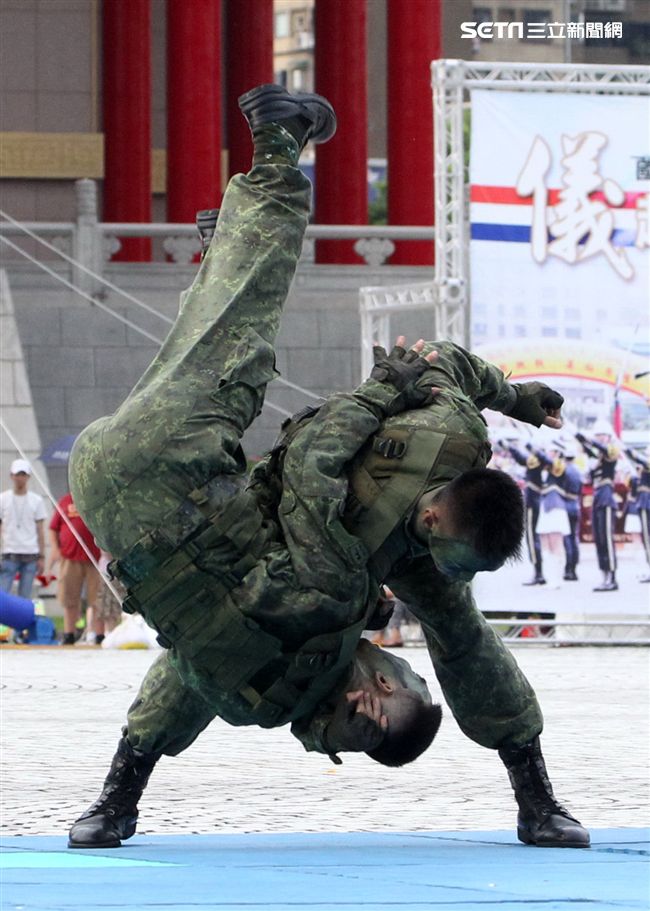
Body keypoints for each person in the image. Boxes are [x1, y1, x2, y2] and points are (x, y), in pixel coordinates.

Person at [67, 85, 443, 850]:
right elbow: (175, 687)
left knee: (246, 323)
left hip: (167, 465)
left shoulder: (337, 600)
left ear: (377, 694)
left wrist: (387, 386)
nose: (393, 662)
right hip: (108, 496)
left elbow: (308, 472)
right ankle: (219, 247)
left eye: (403, 678)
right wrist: (118, 798)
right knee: (208, 343)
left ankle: (279, 136)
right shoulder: (256, 699)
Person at [46, 492, 101, 645]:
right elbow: (53, 527)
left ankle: (99, 634)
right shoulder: (65, 502)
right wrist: (55, 548)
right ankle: (69, 633)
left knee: (97, 599)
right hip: (70, 557)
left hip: (94, 558)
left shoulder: (95, 498)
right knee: (69, 597)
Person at [576, 423, 620, 592]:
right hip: (597, 497)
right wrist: (580, 438)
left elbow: (602, 448)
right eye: (598, 435)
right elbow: (590, 450)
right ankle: (604, 574)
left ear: (608, 437)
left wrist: (589, 440)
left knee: (607, 539)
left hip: (607, 497)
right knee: (599, 539)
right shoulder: (598, 457)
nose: (600, 437)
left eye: (603, 435)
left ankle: (612, 577)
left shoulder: (612, 451)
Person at [499, 439, 545, 585]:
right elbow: (520, 458)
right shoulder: (533, 463)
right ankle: (537, 572)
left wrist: (527, 445)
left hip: (532, 502)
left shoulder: (540, 461)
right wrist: (509, 446)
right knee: (531, 538)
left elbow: (527, 458)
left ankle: (539, 573)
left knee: (532, 538)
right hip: (531, 502)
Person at [0, 459, 46, 600]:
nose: (20, 478)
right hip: (9, 553)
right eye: (17, 474)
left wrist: (42, 556)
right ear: (11, 476)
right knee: (4, 596)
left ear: (28, 477)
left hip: (30, 554)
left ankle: (21, 622)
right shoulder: (3, 499)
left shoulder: (36, 500)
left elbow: (40, 530)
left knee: (25, 597)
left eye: (23, 474)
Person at [625, 447, 650, 583]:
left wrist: (623, 447)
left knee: (647, 539)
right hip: (644, 502)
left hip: (647, 503)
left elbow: (637, 457)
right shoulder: (640, 473)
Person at [561, 444, 583, 581]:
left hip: (566, 503)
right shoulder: (577, 470)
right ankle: (574, 569)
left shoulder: (565, 470)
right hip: (576, 505)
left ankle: (568, 569)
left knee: (567, 539)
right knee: (574, 538)